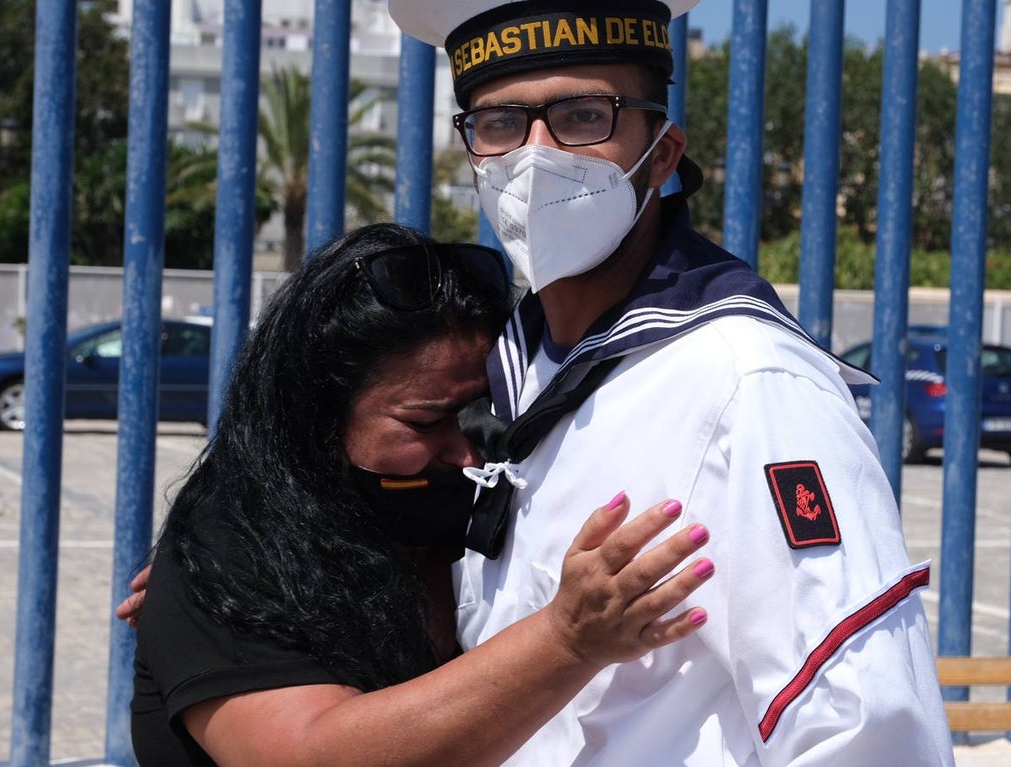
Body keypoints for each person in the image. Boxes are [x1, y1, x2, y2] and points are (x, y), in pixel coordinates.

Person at [386, 0, 957, 763]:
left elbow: (867, 729)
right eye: (499, 125)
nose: (535, 155)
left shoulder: (746, 382)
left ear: (661, 152)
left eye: (584, 116)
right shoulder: (511, 375)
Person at [130, 222, 715, 766]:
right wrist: (567, 638)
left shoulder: (468, 509)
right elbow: (304, 752)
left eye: (479, 413)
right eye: (424, 421)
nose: (467, 454)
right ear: (315, 416)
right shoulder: (231, 543)